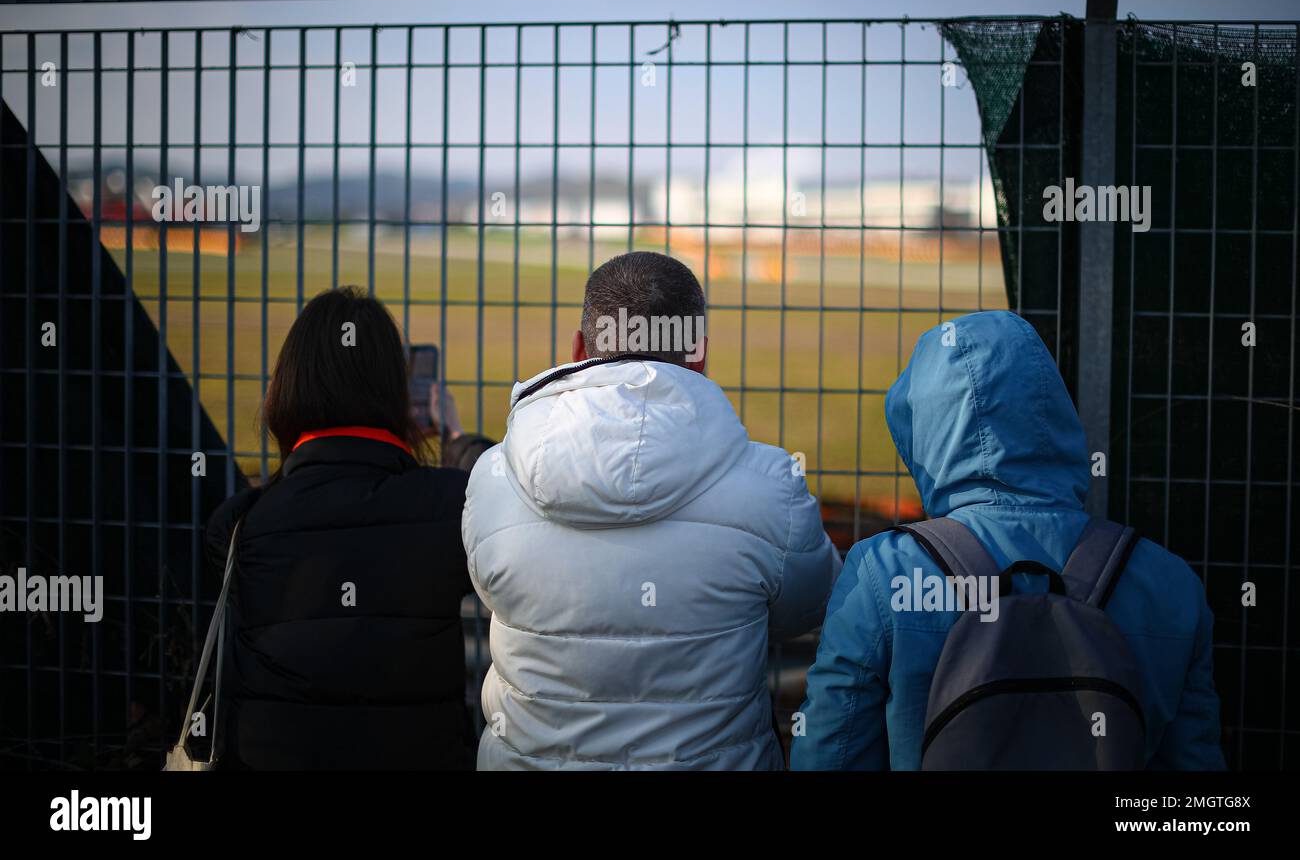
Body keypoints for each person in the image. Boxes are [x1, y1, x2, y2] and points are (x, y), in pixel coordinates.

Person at [791, 310, 1225, 770]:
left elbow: (831, 749)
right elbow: (1194, 762)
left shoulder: (884, 572)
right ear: (1052, 410)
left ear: (921, 426)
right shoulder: (1169, 583)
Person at [462, 251, 842, 770]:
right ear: (699, 355)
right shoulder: (772, 488)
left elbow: (495, 593)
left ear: (579, 349)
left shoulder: (493, 479)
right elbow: (806, 608)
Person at [203, 286, 489, 770]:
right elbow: (513, 501)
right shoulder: (453, 504)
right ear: (396, 395)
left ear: (288, 387)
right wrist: (457, 440)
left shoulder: (240, 525)